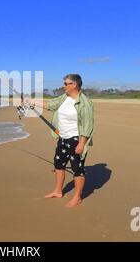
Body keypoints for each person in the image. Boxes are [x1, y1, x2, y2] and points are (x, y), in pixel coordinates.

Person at [26, 74, 94, 208]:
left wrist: (81, 143)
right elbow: (51, 105)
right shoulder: (65, 97)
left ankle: (77, 197)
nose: (64, 86)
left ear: (74, 85)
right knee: (58, 164)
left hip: (76, 139)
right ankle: (58, 191)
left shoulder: (85, 103)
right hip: (62, 137)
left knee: (77, 169)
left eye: (66, 83)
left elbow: (87, 125)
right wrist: (32, 101)